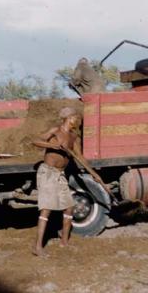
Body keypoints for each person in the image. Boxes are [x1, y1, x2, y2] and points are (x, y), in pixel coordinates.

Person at [31, 107, 105, 256]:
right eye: (76, 118)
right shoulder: (55, 131)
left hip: (60, 174)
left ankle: (64, 242)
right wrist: (52, 145)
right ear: (68, 118)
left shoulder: (73, 137)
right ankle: (37, 247)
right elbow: (35, 141)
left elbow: (80, 157)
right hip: (48, 173)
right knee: (46, 209)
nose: (78, 121)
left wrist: (95, 174)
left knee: (69, 207)